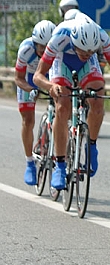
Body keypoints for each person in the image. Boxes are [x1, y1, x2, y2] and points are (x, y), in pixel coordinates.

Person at [33, 13, 110, 190]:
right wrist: (50, 86)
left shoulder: (101, 36)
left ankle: (91, 146)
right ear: (73, 41)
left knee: (97, 98)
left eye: (91, 51)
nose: (86, 54)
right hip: (62, 61)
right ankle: (60, 164)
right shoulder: (60, 36)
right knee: (62, 106)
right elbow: (38, 75)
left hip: (87, 67)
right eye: (82, 50)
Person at [14, 19, 56, 185]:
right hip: (29, 80)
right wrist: (30, 90)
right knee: (28, 120)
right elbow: (18, 78)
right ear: (34, 43)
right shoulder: (26, 49)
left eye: (47, 47)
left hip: (49, 78)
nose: (44, 51)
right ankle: (30, 161)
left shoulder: (57, 49)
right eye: (41, 47)